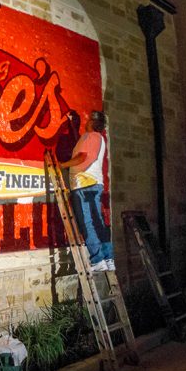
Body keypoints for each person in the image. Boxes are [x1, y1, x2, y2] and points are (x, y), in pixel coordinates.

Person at [61, 110, 115, 272]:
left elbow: (83, 157)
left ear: (92, 123)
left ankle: (97, 259)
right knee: (98, 222)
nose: (85, 122)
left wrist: (62, 165)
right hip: (92, 184)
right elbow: (81, 147)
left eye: (88, 120)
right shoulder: (97, 138)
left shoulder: (92, 137)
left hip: (84, 184)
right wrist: (72, 124)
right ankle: (108, 258)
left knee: (87, 223)